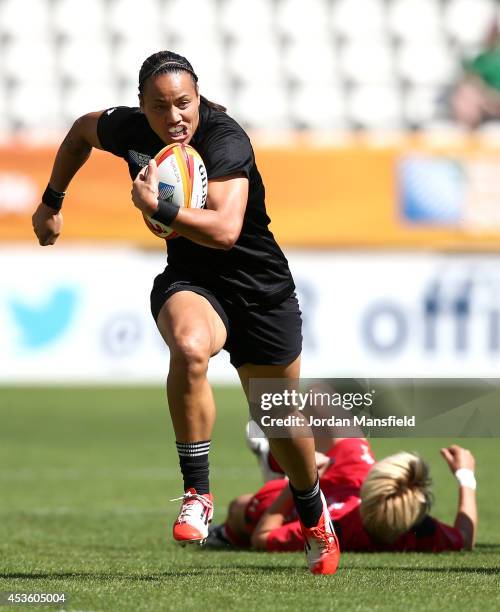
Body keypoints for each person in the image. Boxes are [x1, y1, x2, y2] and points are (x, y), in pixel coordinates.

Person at [31, 50, 339, 575]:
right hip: (194, 282)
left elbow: (225, 231)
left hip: (260, 292)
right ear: (141, 107)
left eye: (184, 103)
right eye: (160, 106)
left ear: (199, 99)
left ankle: (313, 513)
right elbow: (82, 131)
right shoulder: (128, 130)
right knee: (190, 347)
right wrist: (52, 200)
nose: (174, 117)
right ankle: (197, 491)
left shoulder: (225, 139)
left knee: (279, 421)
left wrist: (157, 207)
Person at [207, 438, 477, 554]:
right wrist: (465, 476)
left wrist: (300, 481)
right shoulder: (416, 531)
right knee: (328, 407)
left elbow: (262, 538)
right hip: (335, 483)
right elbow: (464, 538)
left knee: (244, 507)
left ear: (369, 483)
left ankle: (227, 533)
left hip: (306, 495)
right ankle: (280, 459)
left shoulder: (332, 529)